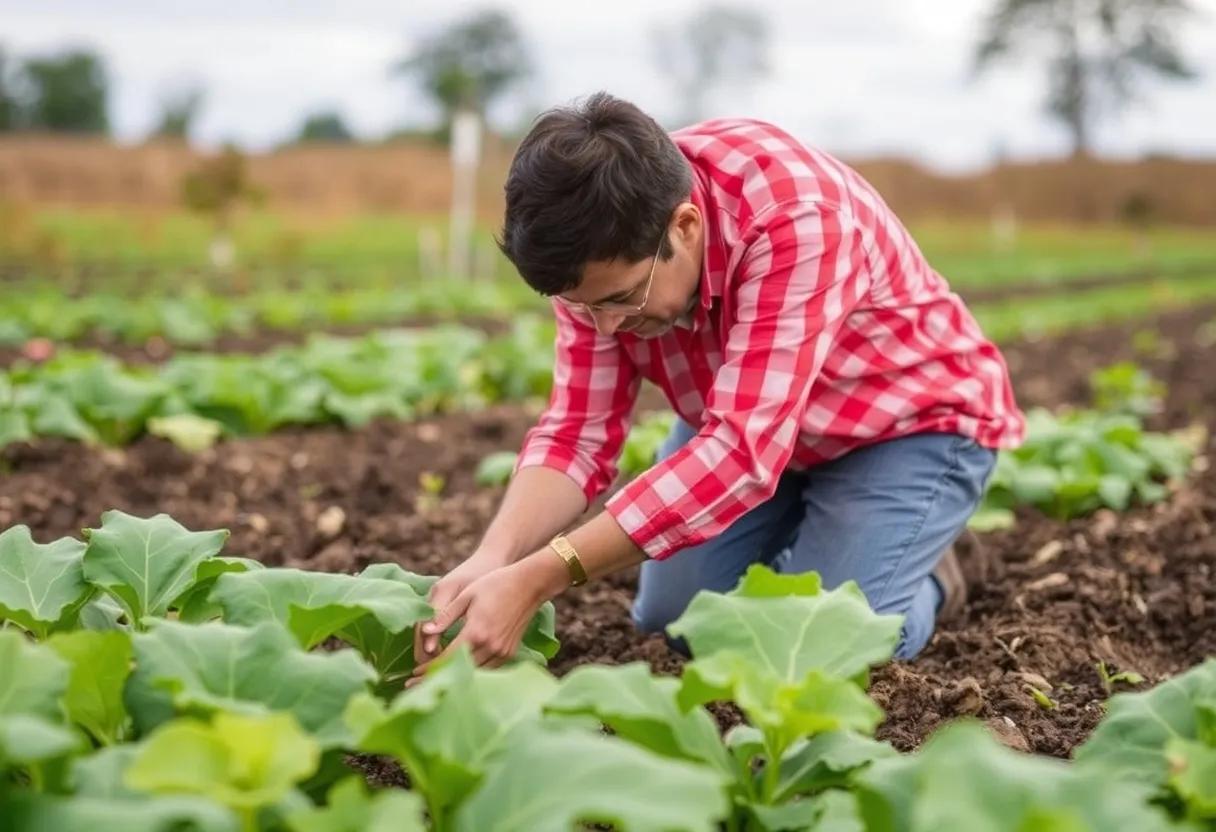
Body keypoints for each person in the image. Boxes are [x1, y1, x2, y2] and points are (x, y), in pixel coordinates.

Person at [409, 92, 1024, 682]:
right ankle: (844, 555)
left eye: (623, 300)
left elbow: (740, 454)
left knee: (820, 654)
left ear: (685, 225)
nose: (604, 327)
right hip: (749, 423)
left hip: (904, 427)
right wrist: (497, 557)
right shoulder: (599, 250)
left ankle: (935, 571)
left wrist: (544, 573)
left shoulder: (798, 221)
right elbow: (578, 433)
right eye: (582, 307)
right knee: (675, 625)